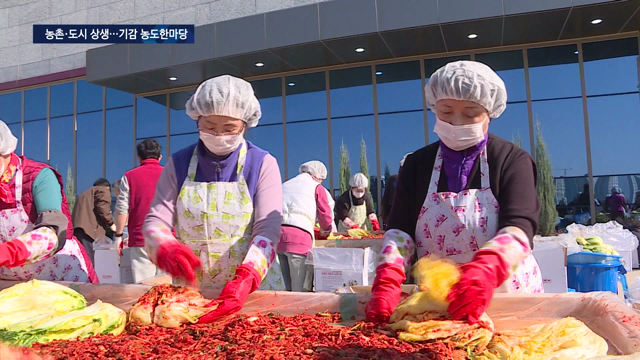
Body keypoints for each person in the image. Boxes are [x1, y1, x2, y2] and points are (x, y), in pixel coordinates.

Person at [366, 61, 543, 325]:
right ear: (434, 107)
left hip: (503, 296)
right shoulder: (417, 164)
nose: (457, 122)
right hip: (436, 300)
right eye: (446, 112)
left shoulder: (510, 159)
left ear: (490, 113)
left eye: (470, 114)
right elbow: (400, 227)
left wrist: (487, 269)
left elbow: (520, 225)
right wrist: (389, 274)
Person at [143, 75, 285, 323]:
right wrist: (164, 245)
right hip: (191, 297)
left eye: (229, 128)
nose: (219, 134)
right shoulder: (179, 163)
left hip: (252, 291)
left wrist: (249, 275)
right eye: (209, 126)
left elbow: (268, 227)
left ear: (245, 124)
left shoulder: (261, 163)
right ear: (197, 118)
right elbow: (157, 218)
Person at [0, 120, 97, 282]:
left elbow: (52, 232)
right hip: (12, 284)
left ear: (5, 152)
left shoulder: (40, 177)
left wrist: (6, 253)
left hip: (58, 277)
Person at [278, 160, 333, 292]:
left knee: (286, 288)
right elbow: (325, 213)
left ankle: (284, 311)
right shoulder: (316, 187)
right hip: (299, 238)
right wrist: (326, 230)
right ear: (317, 176)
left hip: (278, 235)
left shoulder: (285, 184)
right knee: (299, 288)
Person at [114, 139, 164, 283]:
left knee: (143, 286)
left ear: (139, 157)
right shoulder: (171, 174)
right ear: (159, 157)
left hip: (140, 237)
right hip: (167, 237)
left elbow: (122, 208)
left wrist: (118, 236)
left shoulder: (129, 176)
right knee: (166, 287)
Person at [73, 178, 116, 265]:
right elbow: (103, 207)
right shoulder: (103, 190)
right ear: (107, 188)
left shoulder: (84, 194)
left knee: (83, 260)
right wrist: (111, 223)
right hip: (90, 231)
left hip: (79, 230)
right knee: (91, 261)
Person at [381, 153, 412, 227]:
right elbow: (386, 201)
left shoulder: (419, 181)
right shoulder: (394, 179)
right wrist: (386, 219)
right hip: (396, 218)